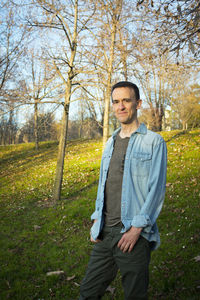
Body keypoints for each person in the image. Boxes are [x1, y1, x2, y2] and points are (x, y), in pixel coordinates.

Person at [79, 81, 167, 300]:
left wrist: (137, 229)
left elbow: (156, 190)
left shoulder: (154, 142)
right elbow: (104, 185)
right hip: (105, 233)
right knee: (88, 293)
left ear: (137, 103)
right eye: (116, 102)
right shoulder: (109, 143)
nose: (121, 107)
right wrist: (97, 219)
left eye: (126, 101)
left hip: (133, 235)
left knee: (134, 295)